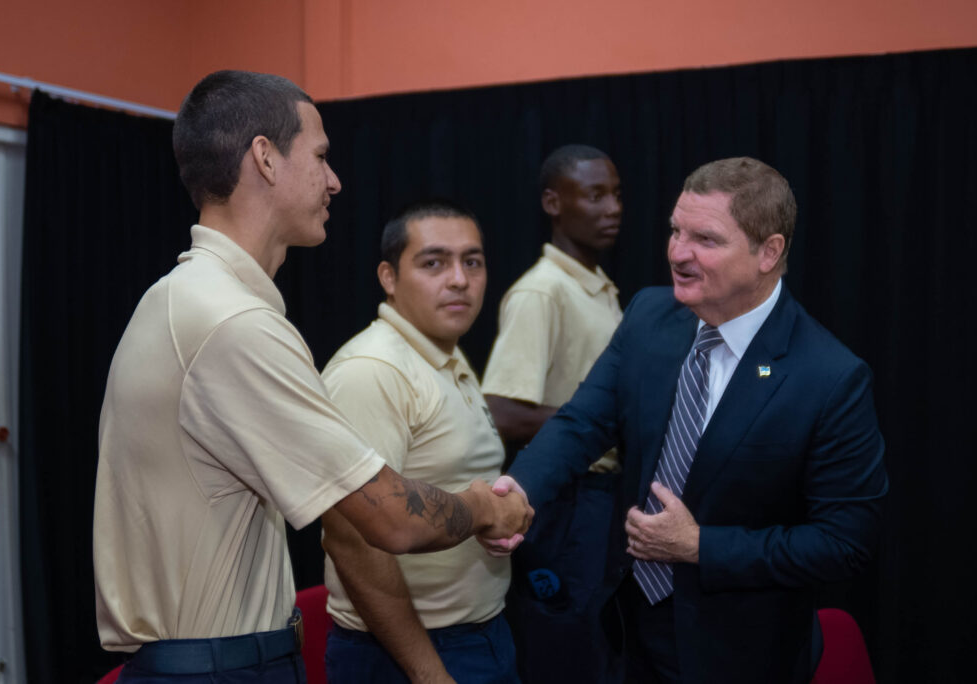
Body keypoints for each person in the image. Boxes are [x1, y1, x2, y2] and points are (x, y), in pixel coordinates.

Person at [93, 71, 531, 684]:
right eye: (321, 156)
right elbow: (388, 518)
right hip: (218, 670)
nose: (334, 180)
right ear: (265, 158)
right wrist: (482, 507)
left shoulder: (185, 296)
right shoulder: (233, 323)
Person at [488, 157, 888, 683]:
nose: (678, 252)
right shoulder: (649, 316)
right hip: (628, 626)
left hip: (739, 651)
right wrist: (517, 492)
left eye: (706, 239)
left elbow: (844, 544)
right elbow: (581, 423)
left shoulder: (829, 378)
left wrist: (701, 546)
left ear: (769, 252)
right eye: (676, 230)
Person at [320, 201, 517, 683]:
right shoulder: (373, 370)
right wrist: (430, 674)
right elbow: (351, 542)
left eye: (472, 261)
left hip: (477, 634)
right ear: (388, 277)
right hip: (407, 653)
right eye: (434, 263)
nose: (459, 280)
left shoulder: (442, 354)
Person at [480, 144, 623, 681]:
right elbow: (500, 412)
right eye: (595, 195)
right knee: (564, 652)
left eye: (617, 194)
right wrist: (606, 422)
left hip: (602, 500)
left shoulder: (598, 288)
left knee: (599, 649)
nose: (613, 208)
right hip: (567, 505)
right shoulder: (542, 291)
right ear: (553, 202)